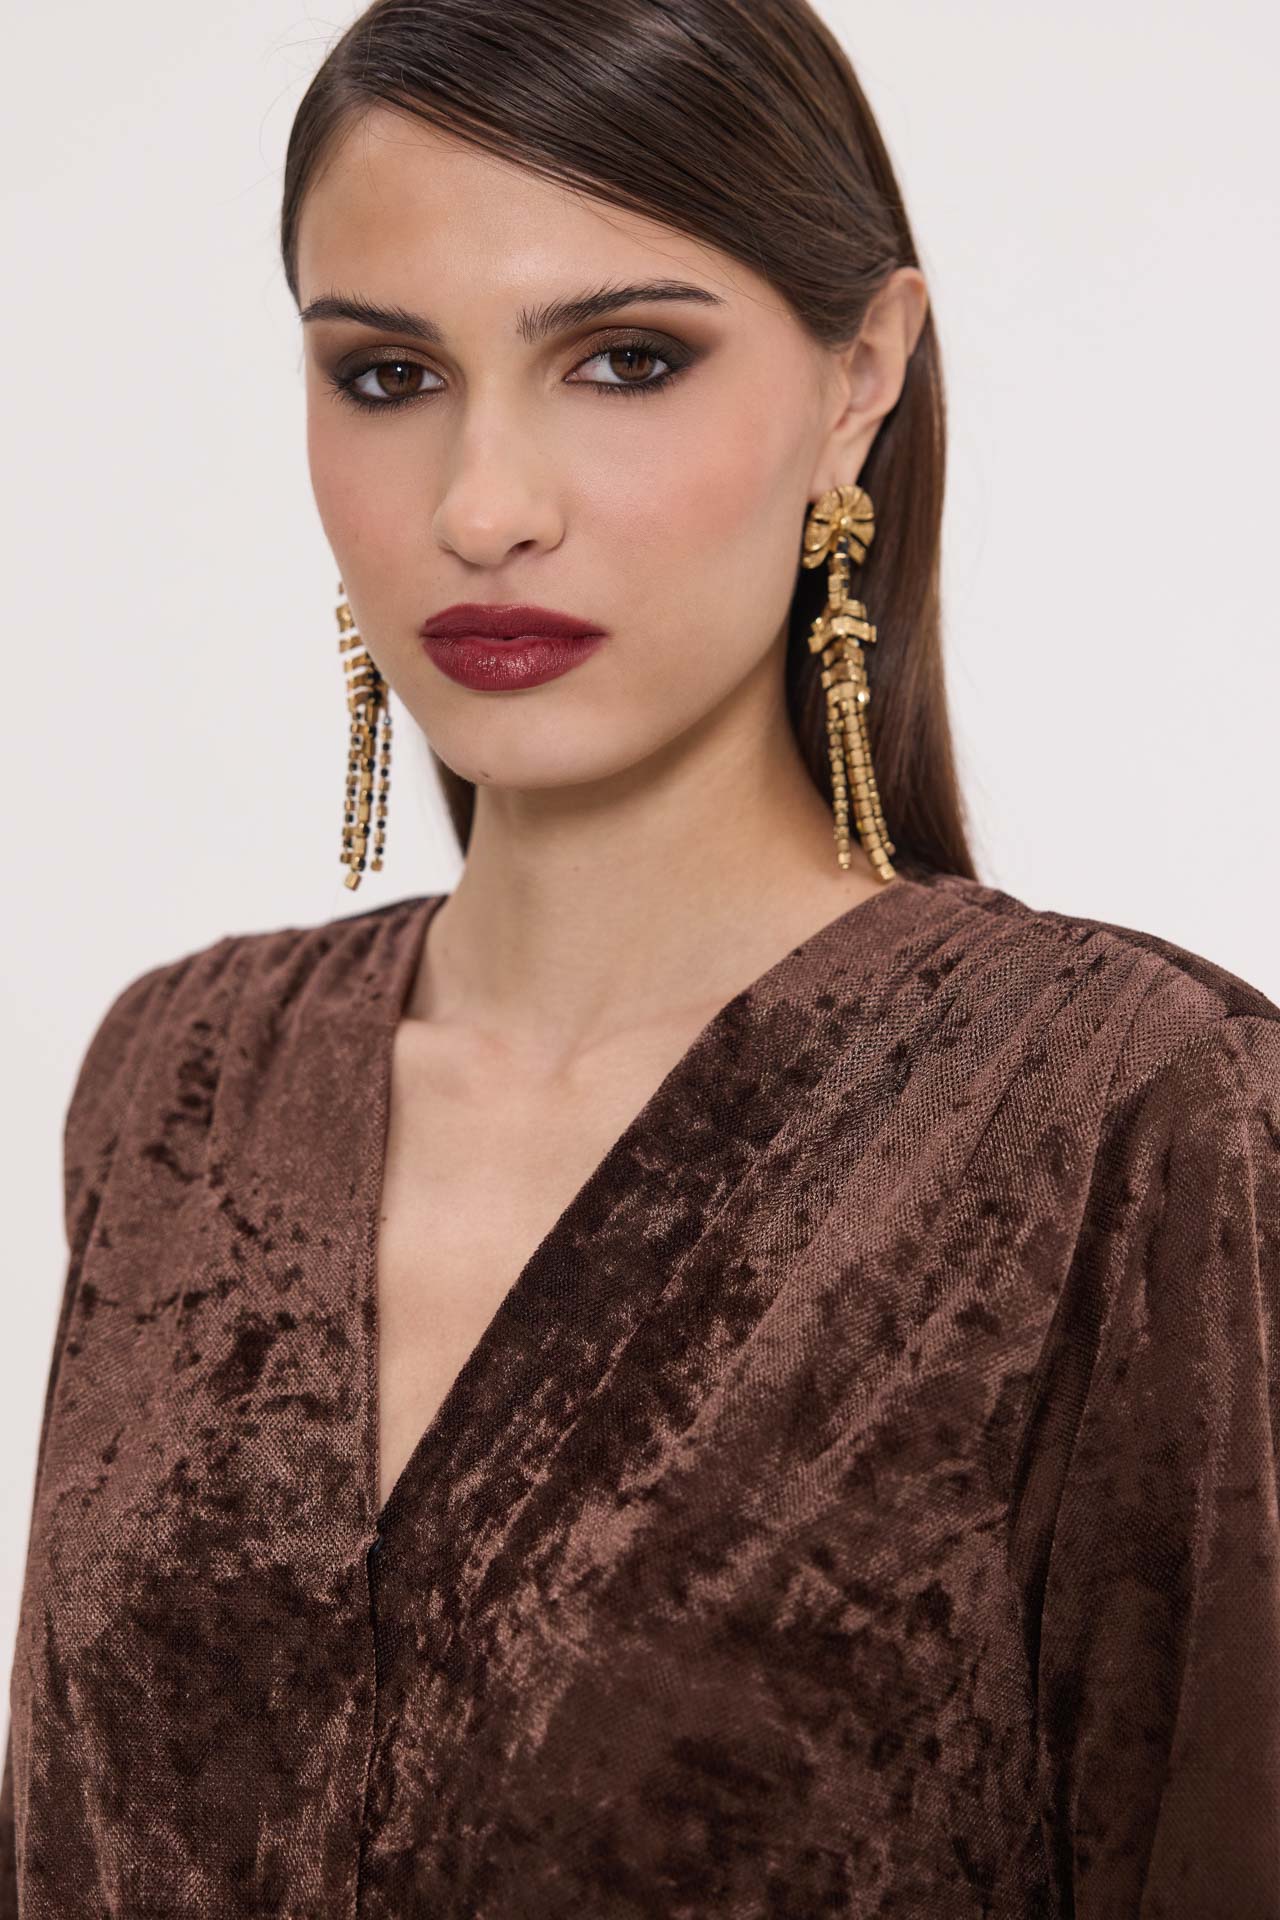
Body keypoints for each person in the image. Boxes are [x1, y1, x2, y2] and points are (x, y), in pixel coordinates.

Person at [4, 2, 1277, 1915]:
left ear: (860, 376)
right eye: (386, 377)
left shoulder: (1128, 1117)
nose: (481, 507)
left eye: (624, 360)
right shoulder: (182, 1084)